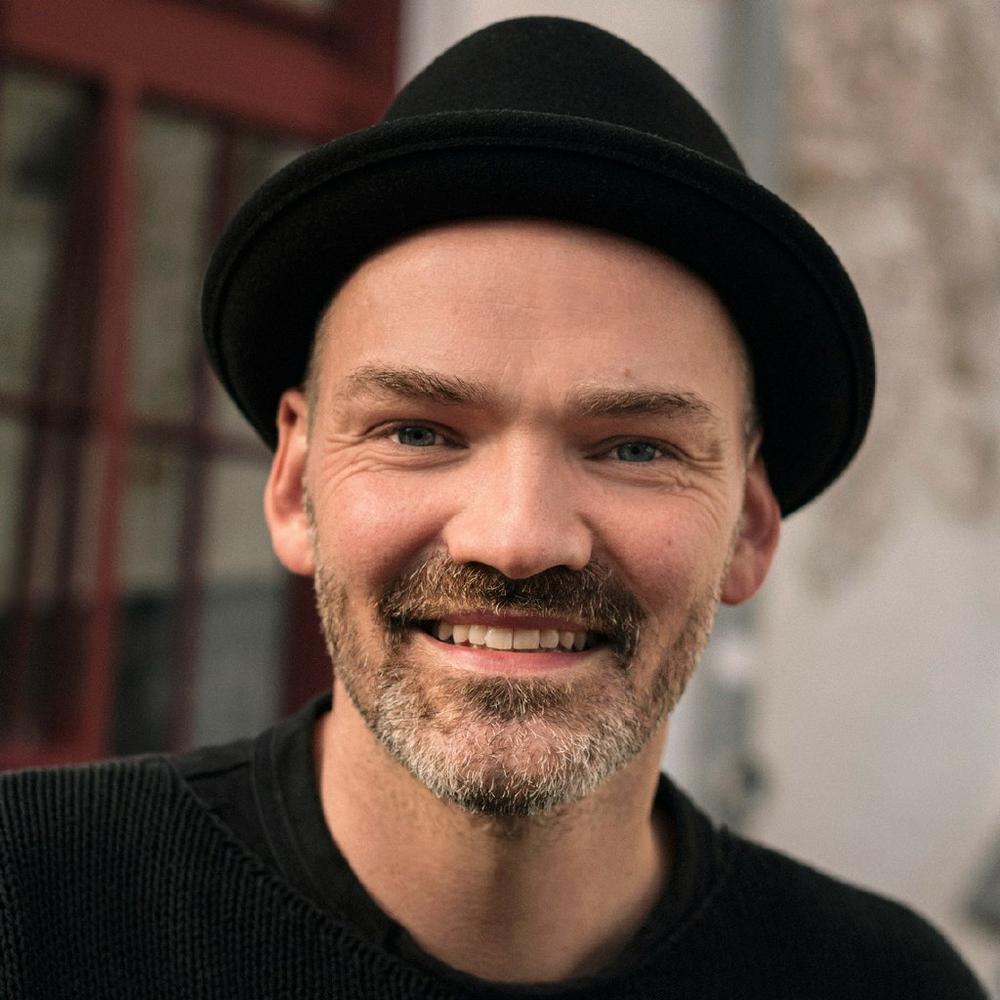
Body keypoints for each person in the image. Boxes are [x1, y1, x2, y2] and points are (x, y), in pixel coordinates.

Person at [0, 16, 988, 999]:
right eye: (418, 432)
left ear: (749, 528)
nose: (517, 539)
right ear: (296, 484)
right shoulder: (28, 908)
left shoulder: (887, 985)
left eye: (635, 448)